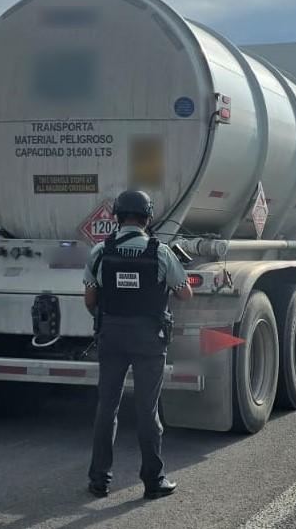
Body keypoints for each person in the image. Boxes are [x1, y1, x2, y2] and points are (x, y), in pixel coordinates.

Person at [83, 190, 192, 500]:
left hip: (111, 336)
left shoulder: (100, 252)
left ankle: (99, 480)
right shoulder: (160, 252)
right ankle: (153, 481)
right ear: (148, 217)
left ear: (117, 216)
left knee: (107, 406)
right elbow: (184, 294)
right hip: (149, 338)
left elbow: (90, 299)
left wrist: (110, 318)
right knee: (147, 409)